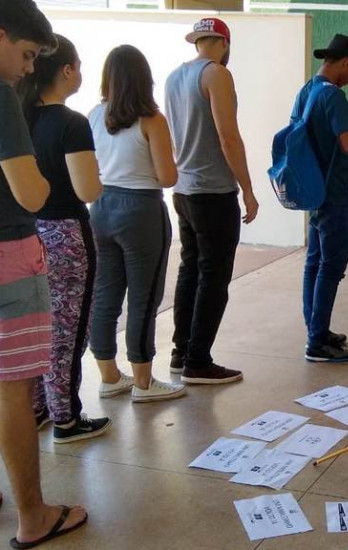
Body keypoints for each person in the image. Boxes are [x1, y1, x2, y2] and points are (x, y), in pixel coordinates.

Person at [0, 1, 89, 546]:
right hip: (10, 249)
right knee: (14, 389)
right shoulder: (2, 97)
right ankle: (32, 514)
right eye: (28, 54)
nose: (29, 69)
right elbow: (31, 192)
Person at [18, 34, 112, 441]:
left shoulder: (21, 118)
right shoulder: (71, 123)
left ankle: (38, 408)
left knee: (38, 327)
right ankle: (67, 417)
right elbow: (87, 190)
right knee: (69, 330)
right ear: (67, 70)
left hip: (27, 234)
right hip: (68, 237)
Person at [88, 45, 186, 403]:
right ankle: (144, 382)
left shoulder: (94, 115)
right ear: (145, 79)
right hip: (141, 211)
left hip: (100, 207)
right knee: (144, 298)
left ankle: (109, 376)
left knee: (105, 295)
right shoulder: (151, 120)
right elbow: (167, 176)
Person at [165, 18, 258, 383]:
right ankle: (198, 361)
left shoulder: (175, 77)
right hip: (213, 192)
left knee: (190, 270)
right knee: (214, 276)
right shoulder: (216, 75)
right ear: (223, 43)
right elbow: (228, 137)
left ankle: (181, 351)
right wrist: (247, 188)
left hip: (184, 190)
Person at [294, 34, 348, 362]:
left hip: (314, 189)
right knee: (330, 267)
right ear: (347, 62)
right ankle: (317, 343)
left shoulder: (307, 90)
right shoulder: (335, 97)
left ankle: (316, 328)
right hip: (337, 193)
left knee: (315, 261)